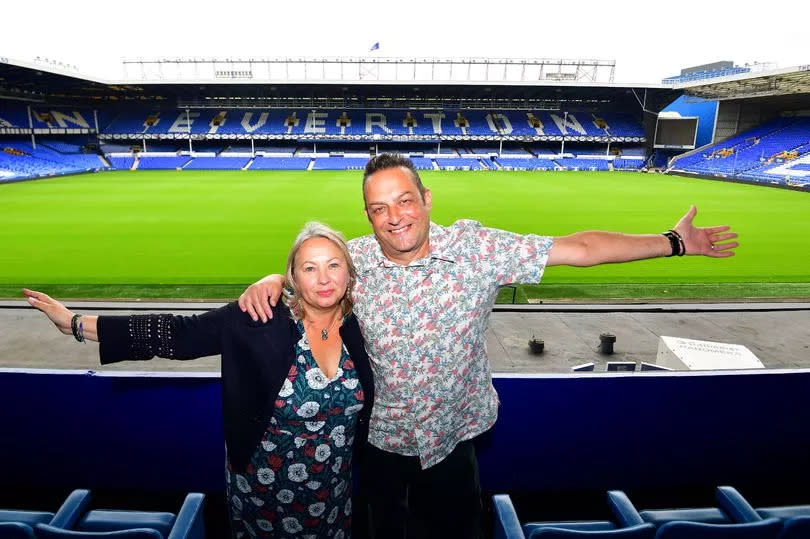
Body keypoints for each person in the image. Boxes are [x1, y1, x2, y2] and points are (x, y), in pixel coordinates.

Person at [237, 153, 739, 538]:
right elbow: (312, 272)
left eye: (404, 200)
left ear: (426, 198)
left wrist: (673, 241)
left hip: (454, 439)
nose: (394, 217)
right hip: (378, 444)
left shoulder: (480, 250)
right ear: (367, 215)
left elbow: (580, 248)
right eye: (378, 208)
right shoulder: (356, 259)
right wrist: (271, 280)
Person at [25, 222, 374, 539]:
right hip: (263, 492)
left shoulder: (362, 326)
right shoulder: (258, 318)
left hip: (333, 494)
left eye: (333, 265)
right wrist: (75, 324)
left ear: (349, 273)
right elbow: (179, 334)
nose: (324, 279)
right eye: (309, 268)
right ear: (294, 278)